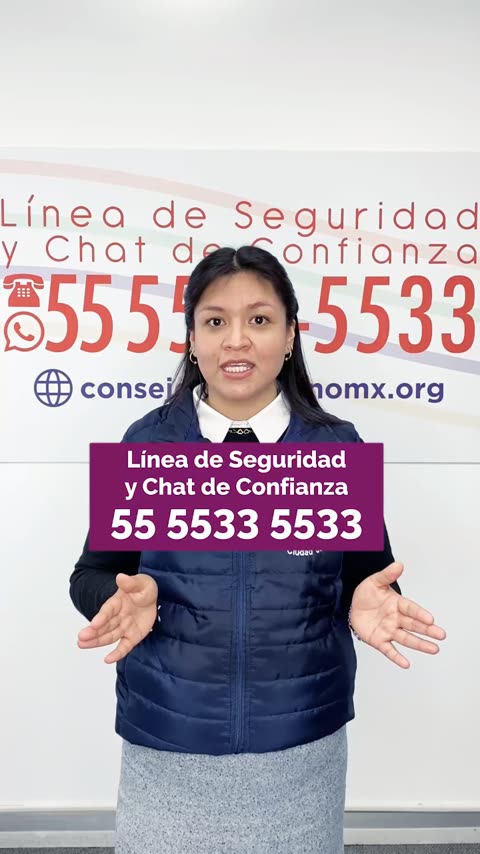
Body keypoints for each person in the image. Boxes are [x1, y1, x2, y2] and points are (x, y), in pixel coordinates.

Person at [69, 245, 446, 854]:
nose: (237, 340)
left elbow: (370, 577)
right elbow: (92, 573)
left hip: (301, 745)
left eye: (260, 320)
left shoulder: (334, 448)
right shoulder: (148, 442)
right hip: (168, 741)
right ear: (192, 338)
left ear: (291, 335)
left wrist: (365, 598)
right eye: (216, 321)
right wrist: (114, 600)